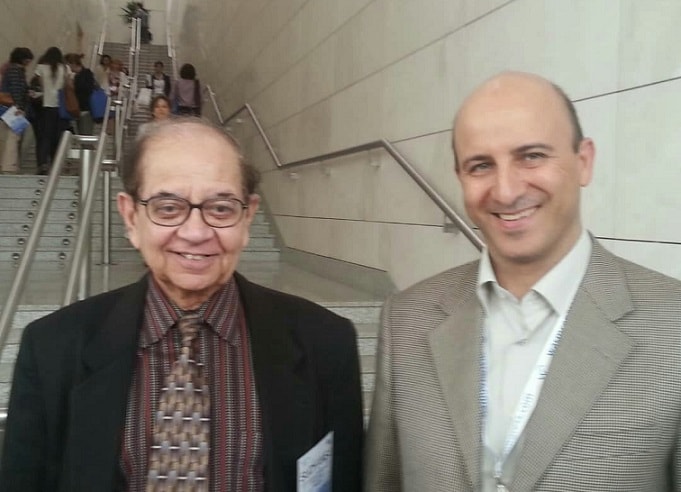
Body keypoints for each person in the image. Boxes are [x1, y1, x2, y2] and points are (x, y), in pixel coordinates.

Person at [0, 118, 363, 491]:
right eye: (168, 207)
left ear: (248, 217)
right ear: (130, 217)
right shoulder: (52, 348)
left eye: (220, 208)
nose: (195, 232)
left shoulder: (325, 342)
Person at [364, 71, 681, 491]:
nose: (506, 191)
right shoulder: (406, 319)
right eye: (481, 165)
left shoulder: (672, 324)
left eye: (531, 156)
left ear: (583, 161)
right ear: (460, 177)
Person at [0, 47, 33, 174]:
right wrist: (18, 107)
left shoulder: (12, 69)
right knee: (13, 137)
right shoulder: (15, 70)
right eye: (28, 59)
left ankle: (7, 164)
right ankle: (9, 166)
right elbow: (16, 89)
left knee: (9, 137)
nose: (29, 62)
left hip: (9, 109)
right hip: (13, 110)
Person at [33, 46, 65, 175]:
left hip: (47, 105)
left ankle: (42, 163)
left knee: (45, 135)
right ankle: (55, 162)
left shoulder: (41, 68)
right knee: (57, 136)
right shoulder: (64, 68)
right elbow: (66, 85)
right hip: (60, 106)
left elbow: (40, 84)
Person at [65, 53, 96, 135]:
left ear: (73, 64)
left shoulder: (86, 73)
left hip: (84, 108)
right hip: (74, 109)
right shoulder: (72, 76)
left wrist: (72, 83)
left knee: (85, 134)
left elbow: (87, 89)